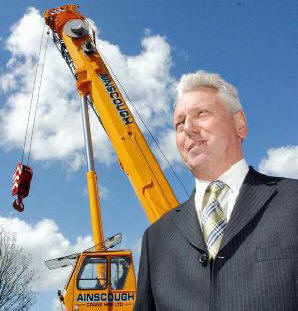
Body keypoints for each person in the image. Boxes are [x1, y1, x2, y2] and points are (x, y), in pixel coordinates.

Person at [134, 71, 298, 311]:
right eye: (179, 124)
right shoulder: (156, 238)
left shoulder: (293, 202)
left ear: (239, 125)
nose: (188, 128)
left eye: (201, 114)